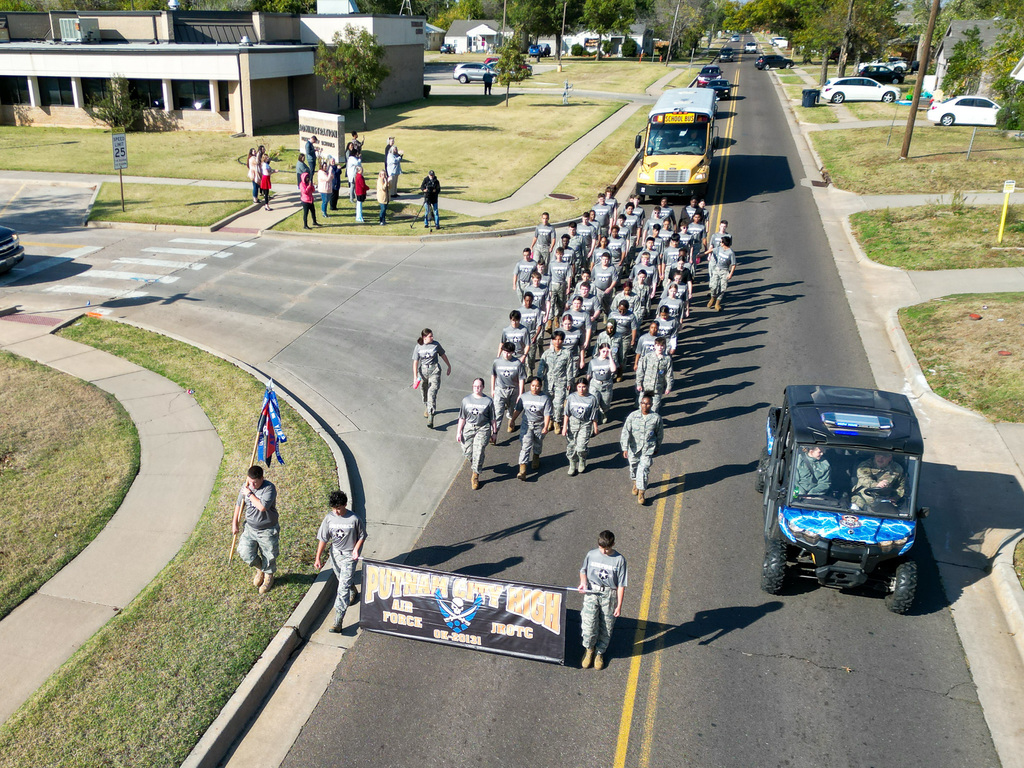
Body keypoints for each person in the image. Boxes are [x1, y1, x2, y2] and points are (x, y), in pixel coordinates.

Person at [314, 490, 366, 633]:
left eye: (338, 508)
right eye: (333, 508)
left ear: (344, 505)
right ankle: (352, 590)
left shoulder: (354, 519)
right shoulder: (329, 518)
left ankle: (338, 620)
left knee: (342, 588)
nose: (336, 511)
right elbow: (323, 538)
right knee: (341, 578)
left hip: (350, 556)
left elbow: (362, 535)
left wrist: (356, 549)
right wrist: (318, 557)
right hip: (335, 554)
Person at [578, 530, 627, 670]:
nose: (604, 551)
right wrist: (583, 583)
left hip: (609, 594)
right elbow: (583, 570)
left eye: (607, 548)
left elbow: (621, 585)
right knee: (588, 624)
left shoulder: (620, 560)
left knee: (606, 626)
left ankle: (599, 653)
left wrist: (619, 606)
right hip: (592, 592)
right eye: (601, 548)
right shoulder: (591, 554)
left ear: (613, 545)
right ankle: (589, 650)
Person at [233, 465, 279, 594]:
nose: (252, 484)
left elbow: (262, 507)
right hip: (250, 528)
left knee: (269, 555)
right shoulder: (246, 486)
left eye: (255, 482)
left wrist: (249, 493)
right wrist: (234, 523)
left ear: (262, 478)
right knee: (244, 552)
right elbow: (239, 504)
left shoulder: (269, 488)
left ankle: (269, 577)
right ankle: (260, 569)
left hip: (267, 529)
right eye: (249, 481)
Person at [620, 392, 664, 505]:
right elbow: (625, 432)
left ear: (651, 404)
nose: (645, 406)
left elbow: (659, 434)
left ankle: (641, 493)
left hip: (647, 449)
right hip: (633, 449)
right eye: (643, 403)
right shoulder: (633, 416)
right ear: (640, 403)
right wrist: (624, 448)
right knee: (633, 468)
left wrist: (657, 446)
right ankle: (635, 483)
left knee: (643, 471)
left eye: (648, 404)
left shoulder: (656, 418)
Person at [457, 378, 498, 490]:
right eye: (475, 386)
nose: (477, 388)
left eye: (479, 386)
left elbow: (493, 419)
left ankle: (475, 475)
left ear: (483, 387)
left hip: (483, 428)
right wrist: (459, 432)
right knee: (467, 451)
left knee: (479, 451)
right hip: (469, 427)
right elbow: (462, 417)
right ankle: (475, 461)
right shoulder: (466, 400)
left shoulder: (488, 401)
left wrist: (494, 432)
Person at [511, 376, 552, 480]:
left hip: (539, 424)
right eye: (533, 385)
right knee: (526, 445)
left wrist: (546, 427)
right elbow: (518, 409)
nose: (535, 388)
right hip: (527, 424)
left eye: (537, 386)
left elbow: (547, 414)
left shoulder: (545, 398)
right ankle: (522, 470)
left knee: (538, 443)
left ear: (541, 387)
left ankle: (536, 456)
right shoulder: (524, 397)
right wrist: (512, 420)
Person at [412, 328, 451, 429]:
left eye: (432, 335)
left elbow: (443, 355)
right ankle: (427, 406)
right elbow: (415, 362)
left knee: (431, 393)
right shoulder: (418, 347)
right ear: (424, 337)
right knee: (424, 392)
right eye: (430, 336)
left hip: (434, 371)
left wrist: (449, 366)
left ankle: (431, 415)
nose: (432, 337)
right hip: (423, 372)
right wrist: (415, 377)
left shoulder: (436, 344)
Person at [564, 377, 600, 476]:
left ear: (587, 387)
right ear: (576, 387)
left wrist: (595, 427)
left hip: (585, 424)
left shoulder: (592, 399)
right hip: (573, 423)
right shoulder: (571, 397)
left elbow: (594, 415)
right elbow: (566, 413)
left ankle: (582, 459)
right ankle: (572, 464)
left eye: (583, 387)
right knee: (571, 446)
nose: (581, 389)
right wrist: (564, 427)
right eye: (579, 387)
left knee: (581, 447)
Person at [539, 329, 573, 434]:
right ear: (552, 340)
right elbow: (541, 366)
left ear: (562, 341)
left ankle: (557, 421)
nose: (557, 342)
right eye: (555, 339)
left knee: (558, 404)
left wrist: (569, 382)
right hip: (548, 383)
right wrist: (539, 379)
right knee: (548, 403)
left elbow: (569, 368)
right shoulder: (547, 353)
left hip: (560, 382)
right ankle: (550, 420)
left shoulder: (567, 354)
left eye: (559, 340)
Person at [491, 342, 525, 436]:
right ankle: (494, 433)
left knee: (511, 411)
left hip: (513, 390)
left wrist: (520, 394)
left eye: (509, 352)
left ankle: (511, 421)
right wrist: (493, 389)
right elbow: (493, 375)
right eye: (505, 352)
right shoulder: (497, 362)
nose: (506, 354)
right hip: (500, 390)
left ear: (513, 352)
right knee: (497, 413)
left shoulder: (517, 363)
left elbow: (521, 379)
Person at [636, 337, 673, 412]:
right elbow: (641, 370)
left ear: (665, 346)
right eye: (658, 345)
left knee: (654, 409)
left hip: (657, 388)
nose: (660, 348)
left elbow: (669, 374)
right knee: (642, 408)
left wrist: (669, 387)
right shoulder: (648, 357)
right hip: (646, 387)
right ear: (654, 346)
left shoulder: (667, 359)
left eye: (662, 346)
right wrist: (639, 383)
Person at [587, 342, 616, 422]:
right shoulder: (593, 361)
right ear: (599, 350)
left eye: (607, 351)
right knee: (594, 402)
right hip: (595, 384)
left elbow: (613, 369)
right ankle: (593, 419)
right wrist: (586, 384)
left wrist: (610, 356)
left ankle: (604, 412)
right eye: (603, 351)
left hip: (606, 385)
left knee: (606, 403)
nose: (605, 353)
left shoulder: (610, 361)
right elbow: (589, 374)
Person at [707, 234, 736, 311]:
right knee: (713, 286)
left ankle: (717, 303)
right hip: (717, 269)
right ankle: (712, 298)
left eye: (721, 242)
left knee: (723, 288)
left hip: (725, 271)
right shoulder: (719, 249)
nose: (720, 243)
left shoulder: (731, 253)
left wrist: (730, 274)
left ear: (724, 243)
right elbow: (712, 250)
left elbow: (733, 264)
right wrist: (703, 254)